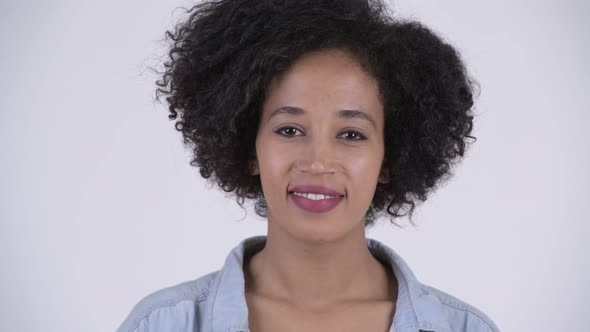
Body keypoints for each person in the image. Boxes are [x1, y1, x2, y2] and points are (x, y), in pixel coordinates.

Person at [117, 0, 499, 331]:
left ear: (390, 157)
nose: (318, 162)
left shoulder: (464, 328)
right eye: (289, 129)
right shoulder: (162, 324)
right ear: (250, 149)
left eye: (351, 134)